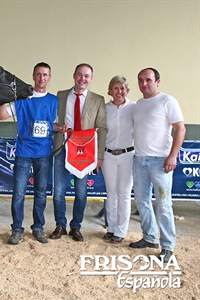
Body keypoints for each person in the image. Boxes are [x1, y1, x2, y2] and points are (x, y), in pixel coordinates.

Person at [0, 62, 68, 245]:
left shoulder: (54, 101)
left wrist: (59, 128)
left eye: (45, 75)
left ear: (49, 78)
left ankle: (38, 228)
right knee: (19, 193)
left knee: (41, 193)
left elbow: (49, 124)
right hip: (23, 152)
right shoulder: (22, 99)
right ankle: (17, 229)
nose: (41, 78)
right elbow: (2, 115)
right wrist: (2, 95)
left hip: (44, 153)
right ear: (33, 76)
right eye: (38, 74)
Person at [129, 68, 186, 263]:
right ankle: (150, 237)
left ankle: (168, 246)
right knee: (142, 202)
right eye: (140, 80)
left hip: (160, 161)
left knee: (163, 205)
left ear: (157, 81)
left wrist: (172, 156)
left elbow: (180, 129)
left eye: (148, 80)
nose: (144, 84)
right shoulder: (138, 105)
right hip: (139, 160)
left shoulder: (167, 101)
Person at [50, 63, 106, 242]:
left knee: (81, 193)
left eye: (87, 76)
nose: (83, 78)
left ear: (91, 78)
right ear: (74, 75)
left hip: (84, 154)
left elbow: (102, 128)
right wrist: (57, 128)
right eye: (80, 75)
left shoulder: (97, 99)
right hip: (62, 149)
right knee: (58, 191)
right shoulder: (60, 96)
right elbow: (51, 121)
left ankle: (76, 227)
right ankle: (60, 225)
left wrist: (99, 156)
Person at [101, 76, 135, 243]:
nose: (119, 92)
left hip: (128, 155)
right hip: (108, 155)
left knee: (124, 193)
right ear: (110, 90)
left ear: (127, 91)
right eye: (115, 88)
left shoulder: (134, 107)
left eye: (122, 88)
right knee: (111, 193)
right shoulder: (105, 108)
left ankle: (121, 231)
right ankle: (111, 228)